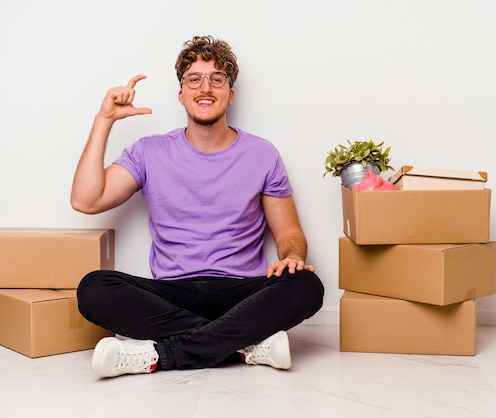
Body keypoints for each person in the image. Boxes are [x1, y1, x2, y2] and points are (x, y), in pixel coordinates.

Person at [71, 35, 324, 378]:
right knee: (94, 289)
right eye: (194, 79)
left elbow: (290, 233)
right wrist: (105, 120)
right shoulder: (149, 152)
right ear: (181, 93)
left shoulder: (263, 154)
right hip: (172, 292)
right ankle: (244, 344)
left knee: (306, 286)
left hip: (240, 291)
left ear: (230, 94)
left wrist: (292, 257)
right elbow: (85, 201)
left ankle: (161, 355)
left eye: (216, 79)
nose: (205, 87)